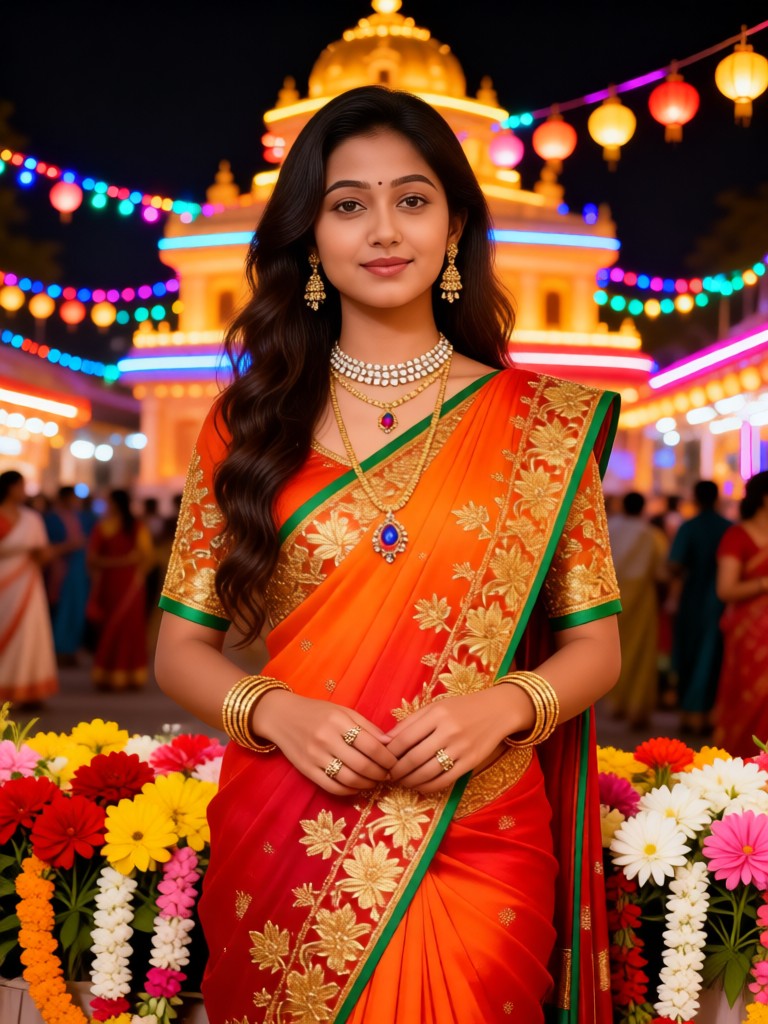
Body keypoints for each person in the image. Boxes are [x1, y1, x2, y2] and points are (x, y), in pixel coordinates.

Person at [154, 85, 622, 1023]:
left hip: (480, 832)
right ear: (311, 237)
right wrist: (273, 711)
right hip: (290, 822)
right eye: (347, 203)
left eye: (412, 199)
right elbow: (179, 650)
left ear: (454, 226)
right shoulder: (248, 427)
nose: (384, 229)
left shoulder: (543, 423)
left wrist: (504, 704)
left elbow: (596, 646)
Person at [667, 480, 731, 735]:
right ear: (717, 499)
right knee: (714, 657)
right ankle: (708, 716)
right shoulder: (729, 528)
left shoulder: (689, 527)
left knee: (689, 654)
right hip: (722, 602)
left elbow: (674, 564)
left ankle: (689, 716)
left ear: (694, 498)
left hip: (693, 598)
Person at [712, 470, 768, 757]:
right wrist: (764, 583)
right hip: (751, 634)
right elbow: (725, 589)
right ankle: (744, 764)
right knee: (749, 698)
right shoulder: (737, 535)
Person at [605, 491, 668, 728]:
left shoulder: (608, 527)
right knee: (639, 654)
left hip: (608, 598)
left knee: (610, 648)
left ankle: (614, 702)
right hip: (641, 598)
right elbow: (661, 571)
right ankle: (636, 707)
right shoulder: (650, 534)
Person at [85, 488, 154, 689]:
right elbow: (92, 559)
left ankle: (132, 675)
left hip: (131, 585)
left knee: (130, 628)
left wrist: (132, 567)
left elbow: (146, 556)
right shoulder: (103, 528)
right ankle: (107, 674)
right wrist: (122, 561)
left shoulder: (136, 527)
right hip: (110, 584)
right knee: (109, 626)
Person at [0, 470, 58, 707]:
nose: (24, 491)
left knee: (27, 633)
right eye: (21, 486)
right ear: (11, 487)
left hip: (27, 581)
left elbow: (43, 551)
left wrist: (41, 555)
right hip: (4, 578)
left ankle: (25, 689)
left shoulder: (31, 518)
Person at [44, 485, 92, 666]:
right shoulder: (51, 519)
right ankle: (58, 650)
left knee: (77, 609)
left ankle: (71, 649)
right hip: (60, 568)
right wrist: (70, 546)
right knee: (61, 610)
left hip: (79, 569)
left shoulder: (82, 517)